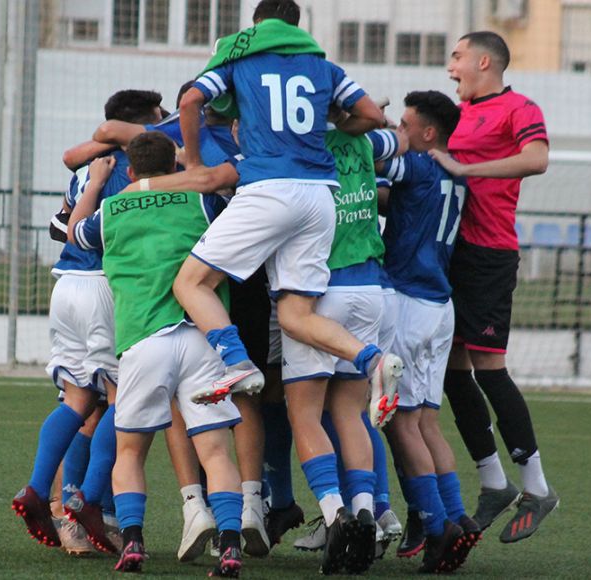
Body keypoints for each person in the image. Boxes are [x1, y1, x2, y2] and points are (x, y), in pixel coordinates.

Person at [173, 0, 404, 428]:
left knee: (191, 282)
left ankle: (237, 362)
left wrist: (192, 162)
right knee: (296, 318)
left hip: (269, 190)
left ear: (258, 24)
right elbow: (373, 115)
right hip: (320, 198)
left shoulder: (239, 56)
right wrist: (332, 125)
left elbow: (191, 101)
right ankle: (373, 360)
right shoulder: (325, 67)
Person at [68, 132, 245, 577]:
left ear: (130, 171)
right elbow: (235, 205)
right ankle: (229, 547)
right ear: (176, 166)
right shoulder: (201, 203)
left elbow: (74, 234)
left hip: (143, 342)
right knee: (217, 453)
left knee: (129, 451)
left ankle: (132, 543)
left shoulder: (110, 211)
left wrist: (94, 186)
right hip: (201, 334)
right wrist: (192, 169)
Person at [12, 90, 162, 551]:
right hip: (106, 287)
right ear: (143, 123)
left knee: (78, 401)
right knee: (123, 399)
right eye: (158, 119)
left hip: (66, 284)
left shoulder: (87, 168)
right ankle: (88, 500)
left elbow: (60, 227)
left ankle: (39, 489)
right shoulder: (148, 167)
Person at [429, 31, 559, 544]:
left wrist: (466, 167)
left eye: (457, 57)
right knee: (452, 371)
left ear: (484, 61)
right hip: (451, 256)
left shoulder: (517, 107)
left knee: (489, 368)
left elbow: (537, 158)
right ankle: (493, 483)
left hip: (489, 256)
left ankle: (538, 487)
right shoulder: (459, 116)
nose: (450, 67)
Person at [376, 91, 482, 573]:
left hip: (408, 301)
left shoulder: (417, 164)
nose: (400, 131)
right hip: (440, 305)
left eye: (405, 124)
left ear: (428, 133)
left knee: (400, 423)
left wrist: (365, 123)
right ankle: (458, 518)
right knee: (425, 422)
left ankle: (438, 529)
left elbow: (377, 159)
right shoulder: (454, 169)